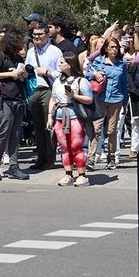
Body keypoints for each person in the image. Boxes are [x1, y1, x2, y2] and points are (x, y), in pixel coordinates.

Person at [0, 29, 31, 182]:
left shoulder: (17, 57)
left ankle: (13, 165)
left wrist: (23, 74)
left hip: (18, 99)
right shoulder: (1, 56)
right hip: (5, 99)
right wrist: (10, 74)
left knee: (16, 134)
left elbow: (21, 74)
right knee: (4, 133)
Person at [48, 52, 93, 187]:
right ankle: (68, 173)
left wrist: (74, 96)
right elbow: (53, 98)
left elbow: (89, 99)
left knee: (75, 146)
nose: (59, 64)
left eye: (62, 62)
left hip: (74, 116)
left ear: (69, 64)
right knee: (63, 146)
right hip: (60, 116)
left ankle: (82, 175)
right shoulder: (57, 81)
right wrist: (50, 116)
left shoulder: (81, 81)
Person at [86, 36, 129, 169]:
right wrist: (95, 74)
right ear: (106, 48)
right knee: (96, 129)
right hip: (100, 98)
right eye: (111, 47)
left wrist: (125, 103)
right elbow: (87, 74)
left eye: (116, 47)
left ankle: (111, 158)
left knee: (112, 130)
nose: (114, 50)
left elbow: (125, 84)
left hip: (116, 99)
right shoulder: (99, 61)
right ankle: (91, 158)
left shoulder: (122, 64)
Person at [25, 24, 63, 171]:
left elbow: (61, 72)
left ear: (47, 35)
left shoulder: (55, 51)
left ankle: (50, 158)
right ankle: (41, 158)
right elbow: (27, 69)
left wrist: (47, 72)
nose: (36, 37)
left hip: (48, 90)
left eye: (40, 34)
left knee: (49, 126)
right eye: (34, 35)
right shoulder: (30, 52)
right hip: (33, 91)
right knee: (38, 128)